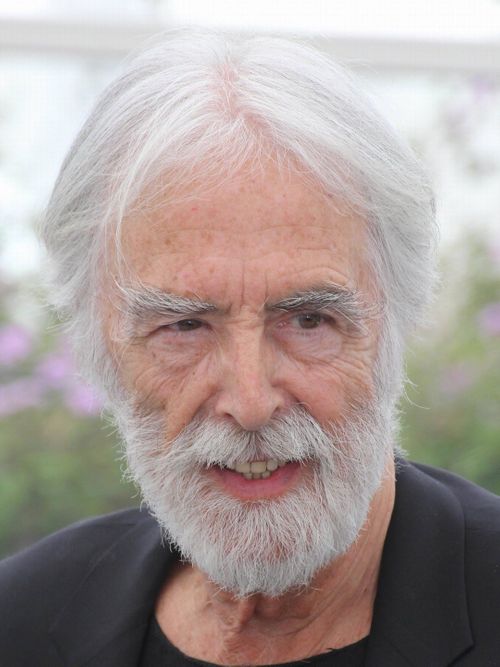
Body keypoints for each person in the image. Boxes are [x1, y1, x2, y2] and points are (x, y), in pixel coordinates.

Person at [1, 28, 499, 667]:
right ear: (98, 343)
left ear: (395, 320)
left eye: (309, 320)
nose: (251, 401)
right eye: (185, 326)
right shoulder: (20, 621)